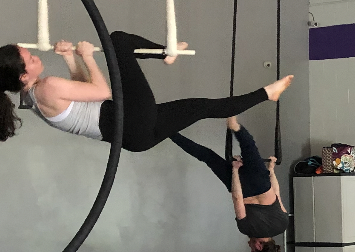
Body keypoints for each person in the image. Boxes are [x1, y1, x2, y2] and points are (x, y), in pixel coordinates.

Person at [0, 33, 292, 148]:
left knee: (203, 107)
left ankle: (269, 93)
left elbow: (80, 94)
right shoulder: (46, 88)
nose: (35, 55)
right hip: (128, 119)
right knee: (117, 42)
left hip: (133, 137)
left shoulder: (29, 96)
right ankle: (166, 53)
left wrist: (69, 58)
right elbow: (101, 91)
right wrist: (87, 56)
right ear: (24, 74)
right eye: (30, 58)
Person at [170, 117, 287, 252]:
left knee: (249, 146)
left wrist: (271, 170)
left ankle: (236, 127)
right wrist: (235, 171)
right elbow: (237, 198)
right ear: (259, 247)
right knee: (207, 155)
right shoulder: (245, 229)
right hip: (242, 188)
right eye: (253, 250)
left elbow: (277, 194)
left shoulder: (282, 225)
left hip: (262, 184)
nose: (250, 248)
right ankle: (170, 133)